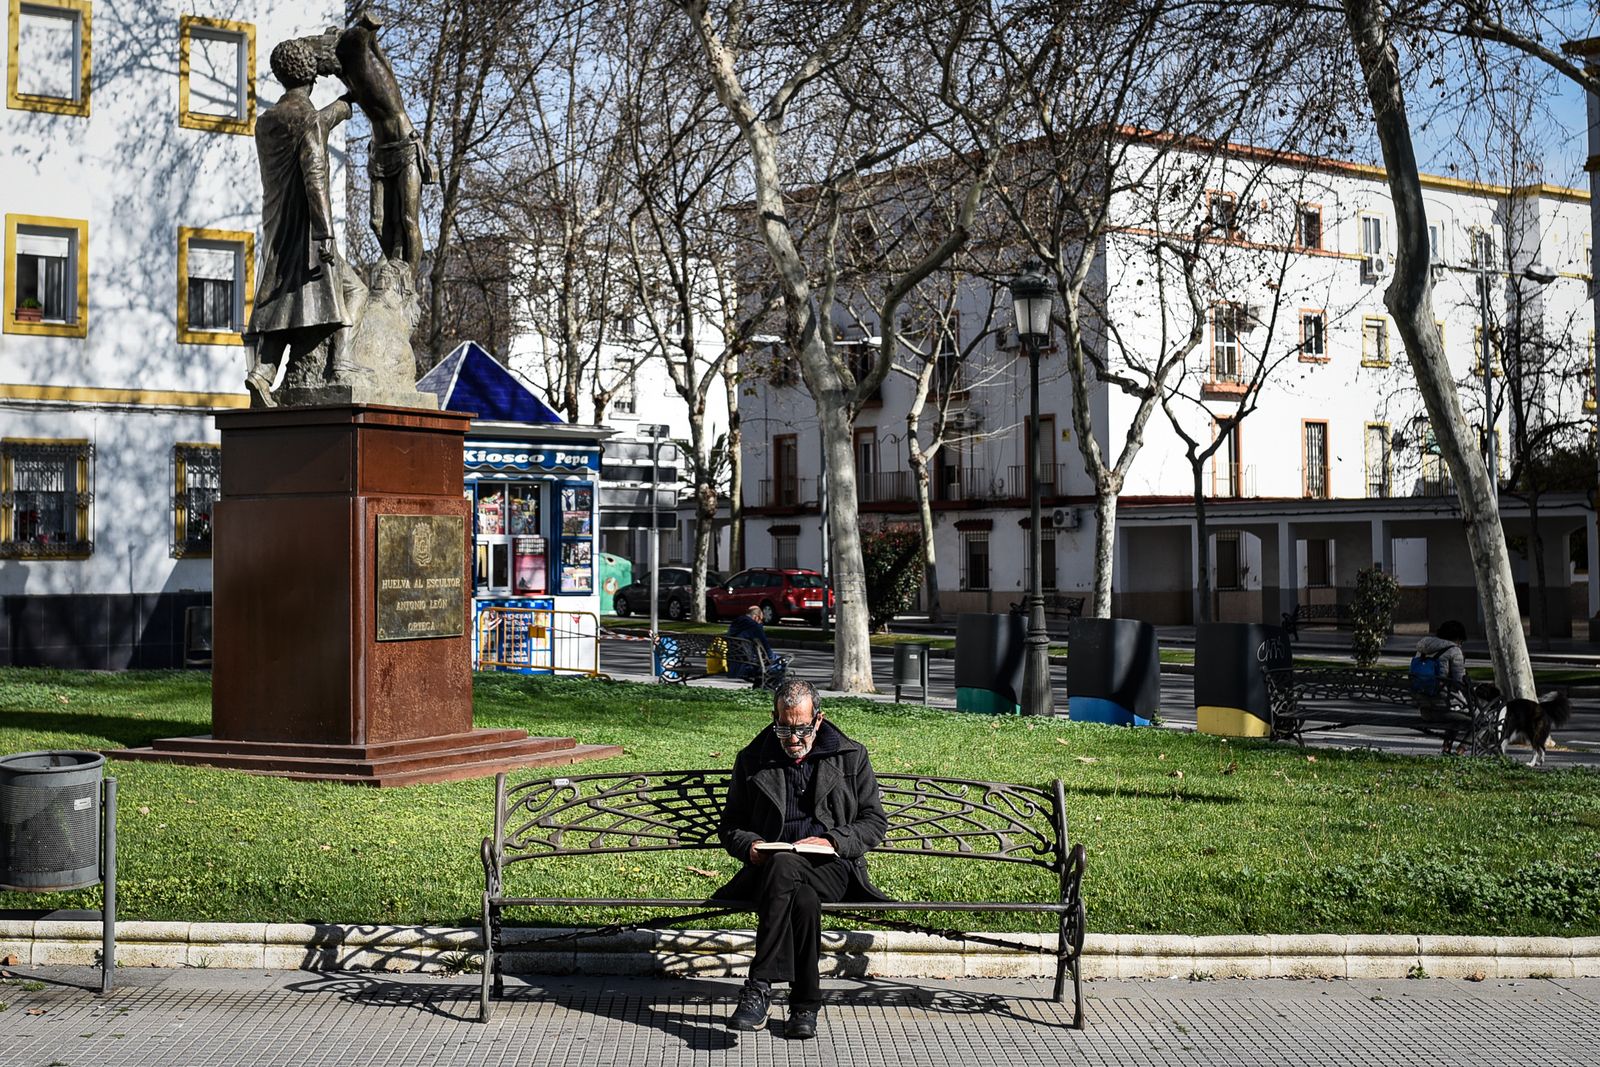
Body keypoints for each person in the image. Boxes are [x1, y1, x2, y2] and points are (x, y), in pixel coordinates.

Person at [714, 679, 889, 1040]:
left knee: (786, 867)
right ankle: (805, 1007)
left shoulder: (850, 756)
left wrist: (832, 840)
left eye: (802, 729)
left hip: (832, 868)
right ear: (774, 717)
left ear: (818, 720)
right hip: (770, 870)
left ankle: (759, 986)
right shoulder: (752, 759)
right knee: (802, 898)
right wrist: (751, 846)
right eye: (784, 728)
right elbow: (731, 825)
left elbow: (874, 822)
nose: (793, 738)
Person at [245, 34, 368, 407]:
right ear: (312, 74)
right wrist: (325, 232)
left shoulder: (265, 122)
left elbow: (308, 126)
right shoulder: (309, 121)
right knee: (355, 291)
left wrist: (340, 108)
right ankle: (342, 361)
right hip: (306, 228)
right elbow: (315, 176)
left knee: (283, 296)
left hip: (277, 226)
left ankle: (262, 373)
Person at [334, 9, 436, 274]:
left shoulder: (373, 68)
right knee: (377, 222)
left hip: (406, 148)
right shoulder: (348, 78)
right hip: (379, 153)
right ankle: (395, 264)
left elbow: (370, 48)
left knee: (408, 219)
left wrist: (368, 29)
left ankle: (407, 281)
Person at [1412, 619, 1470, 752]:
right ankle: (1461, 749)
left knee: (1456, 711)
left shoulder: (1422, 649)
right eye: (1461, 641)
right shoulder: (1454, 651)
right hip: (1443, 710)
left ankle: (1447, 747)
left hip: (1424, 710)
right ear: (1458, 638)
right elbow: (1459, 683)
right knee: (1482, 720)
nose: (1461, 644)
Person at [726, 605, 784, 686]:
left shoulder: (734, 626)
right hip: (747, 666)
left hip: (733, 665)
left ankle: (760, 687)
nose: (761, 622)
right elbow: (766, 648)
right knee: (781, 663)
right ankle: (770, 690)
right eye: (761, 620)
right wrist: (774, 658)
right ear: (756, 617)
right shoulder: (754, 627)